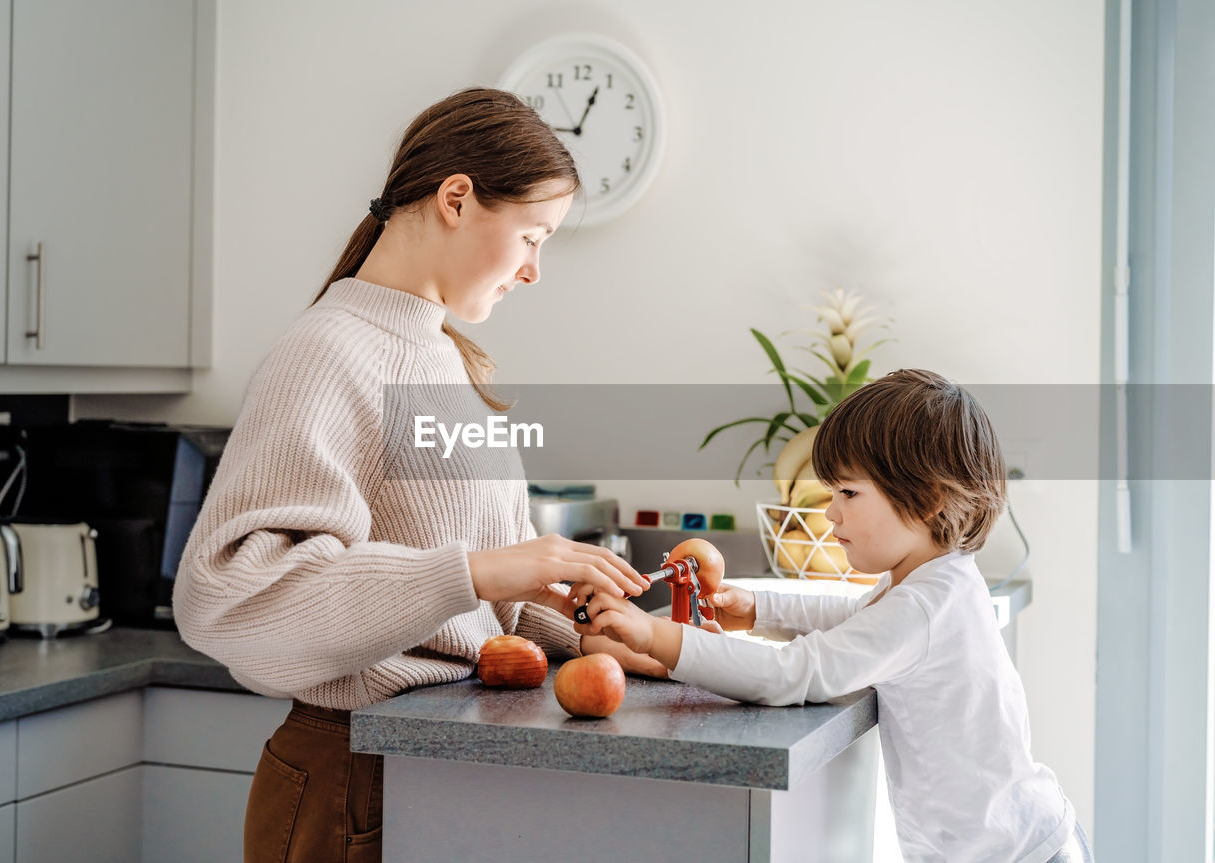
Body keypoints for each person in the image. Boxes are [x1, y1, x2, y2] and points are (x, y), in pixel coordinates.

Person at [172, 87, 657, 863]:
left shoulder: (447, 360)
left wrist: (604, 634)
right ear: (457, 198)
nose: (535, 270)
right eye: (533, 235)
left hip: (432, 764)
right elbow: (226, 598)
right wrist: (480, 570)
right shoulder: (326, 352)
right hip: (350, 777)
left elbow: (467, 613)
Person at [573, 369, 1094, 863]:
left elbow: (792, 675)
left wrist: (653, 635)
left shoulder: (924, 605)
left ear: (930, 498)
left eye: (848, 492)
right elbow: (853, 614)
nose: (830, 511)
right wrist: (755, 609)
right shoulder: (934, 578)